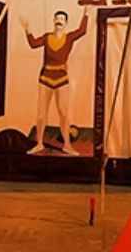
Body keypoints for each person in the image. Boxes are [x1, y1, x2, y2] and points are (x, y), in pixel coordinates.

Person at [23, 10, 88, 155]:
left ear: (66, 23)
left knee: (64, 114)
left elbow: (82, 30)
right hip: (45, 77)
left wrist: (86, 12)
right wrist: (27, 29)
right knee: (41, 114)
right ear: (53, 21)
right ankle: (39, 144)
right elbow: (33, 44)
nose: (59, 21)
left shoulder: (69, 37)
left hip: (62, 78)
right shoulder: (47, 37)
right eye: (57, 18)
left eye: (62, 19)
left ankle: (67, 145)